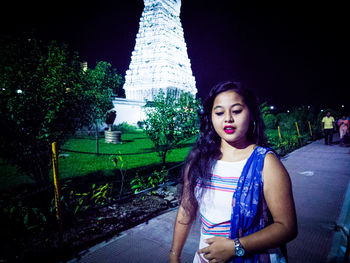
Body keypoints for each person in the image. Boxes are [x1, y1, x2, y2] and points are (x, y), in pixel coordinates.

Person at [170, 81, 297, 263]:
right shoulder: (198, 160)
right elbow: (186, 210)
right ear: (210, 118)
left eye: (236, 111)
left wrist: (235, 247)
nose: (228, 118)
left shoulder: (265, 163)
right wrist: (174, 255)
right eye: (219, 112)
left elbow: (287, 227)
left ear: (251, 114)